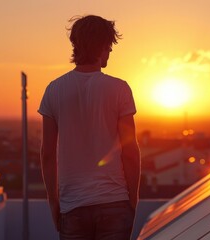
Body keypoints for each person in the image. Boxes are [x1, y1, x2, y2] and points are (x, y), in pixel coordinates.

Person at [38, 15, 141, 240]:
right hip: (115, 202)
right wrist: (133, 199)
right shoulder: (120, 89)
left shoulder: (54, 90)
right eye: (109, 46)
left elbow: (47, 154)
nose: (111, 52)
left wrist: (53, 202)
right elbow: (130, 150)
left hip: (72, 206)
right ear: (103, 46)